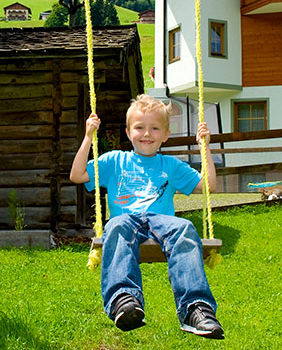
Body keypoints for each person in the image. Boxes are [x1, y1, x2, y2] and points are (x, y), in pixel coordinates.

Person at [69, 94, 224, 339]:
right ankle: (124, 300)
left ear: (166, 135)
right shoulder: (114, 161)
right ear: (128, 132)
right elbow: (77, 175)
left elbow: (208, 186)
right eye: (139, 127)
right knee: (117, 225)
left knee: (184, 226)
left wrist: (205, 146)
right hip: (127, 221)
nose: (147, 134)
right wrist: (88, 136)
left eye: (154, 128)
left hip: (162, 222)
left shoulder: (171, 165)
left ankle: (195, 308)